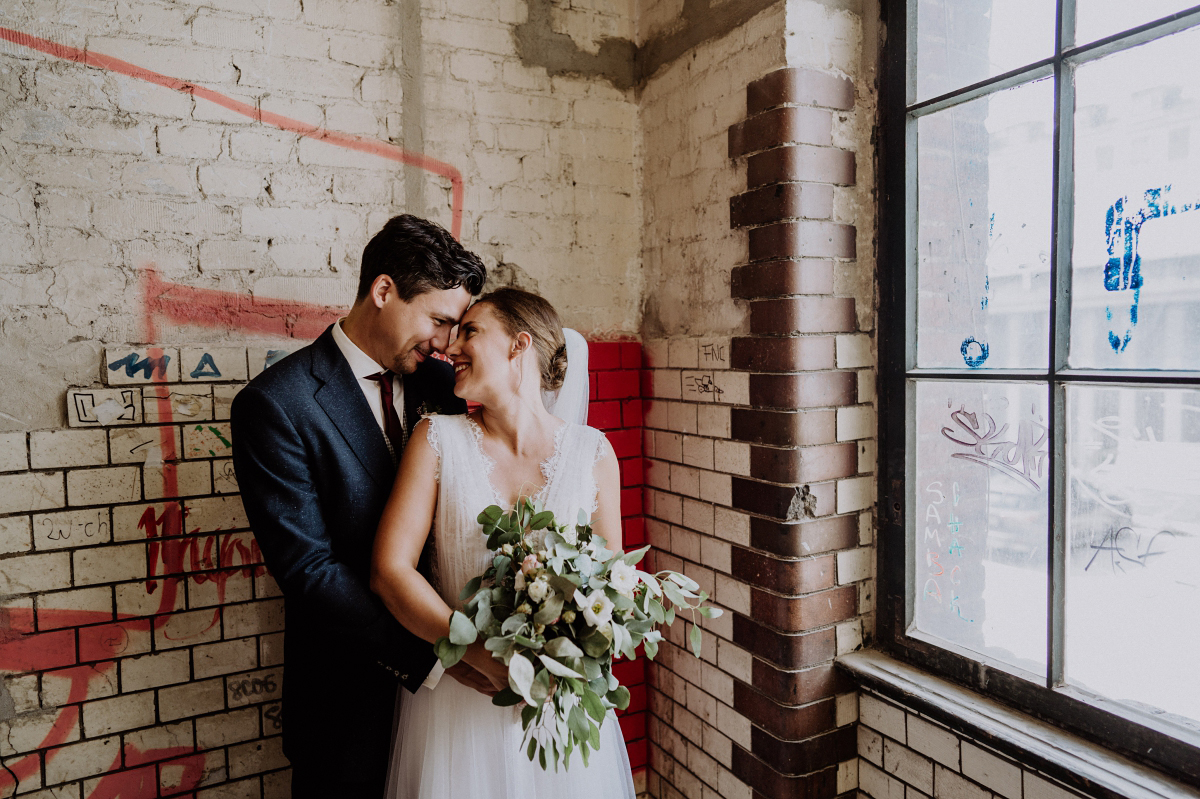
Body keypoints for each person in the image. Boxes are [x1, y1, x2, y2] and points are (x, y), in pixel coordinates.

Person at [230, 214, 489, 799]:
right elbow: (309, 571)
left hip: (455, 719)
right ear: (383, 291)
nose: (447, 343)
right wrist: (439, 654)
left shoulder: (441, 388)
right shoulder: (276, 405)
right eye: (440, 320)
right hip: (348, 706)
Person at [371, 288, 637, 798]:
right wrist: (473, 651)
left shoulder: (593, 453)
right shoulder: (436, 439)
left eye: (470, 331)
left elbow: (612, 589)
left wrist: (568, 658)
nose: (450, 348)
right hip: (460, 701)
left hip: (557, 701)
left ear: (519, 345)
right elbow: (389, 571)